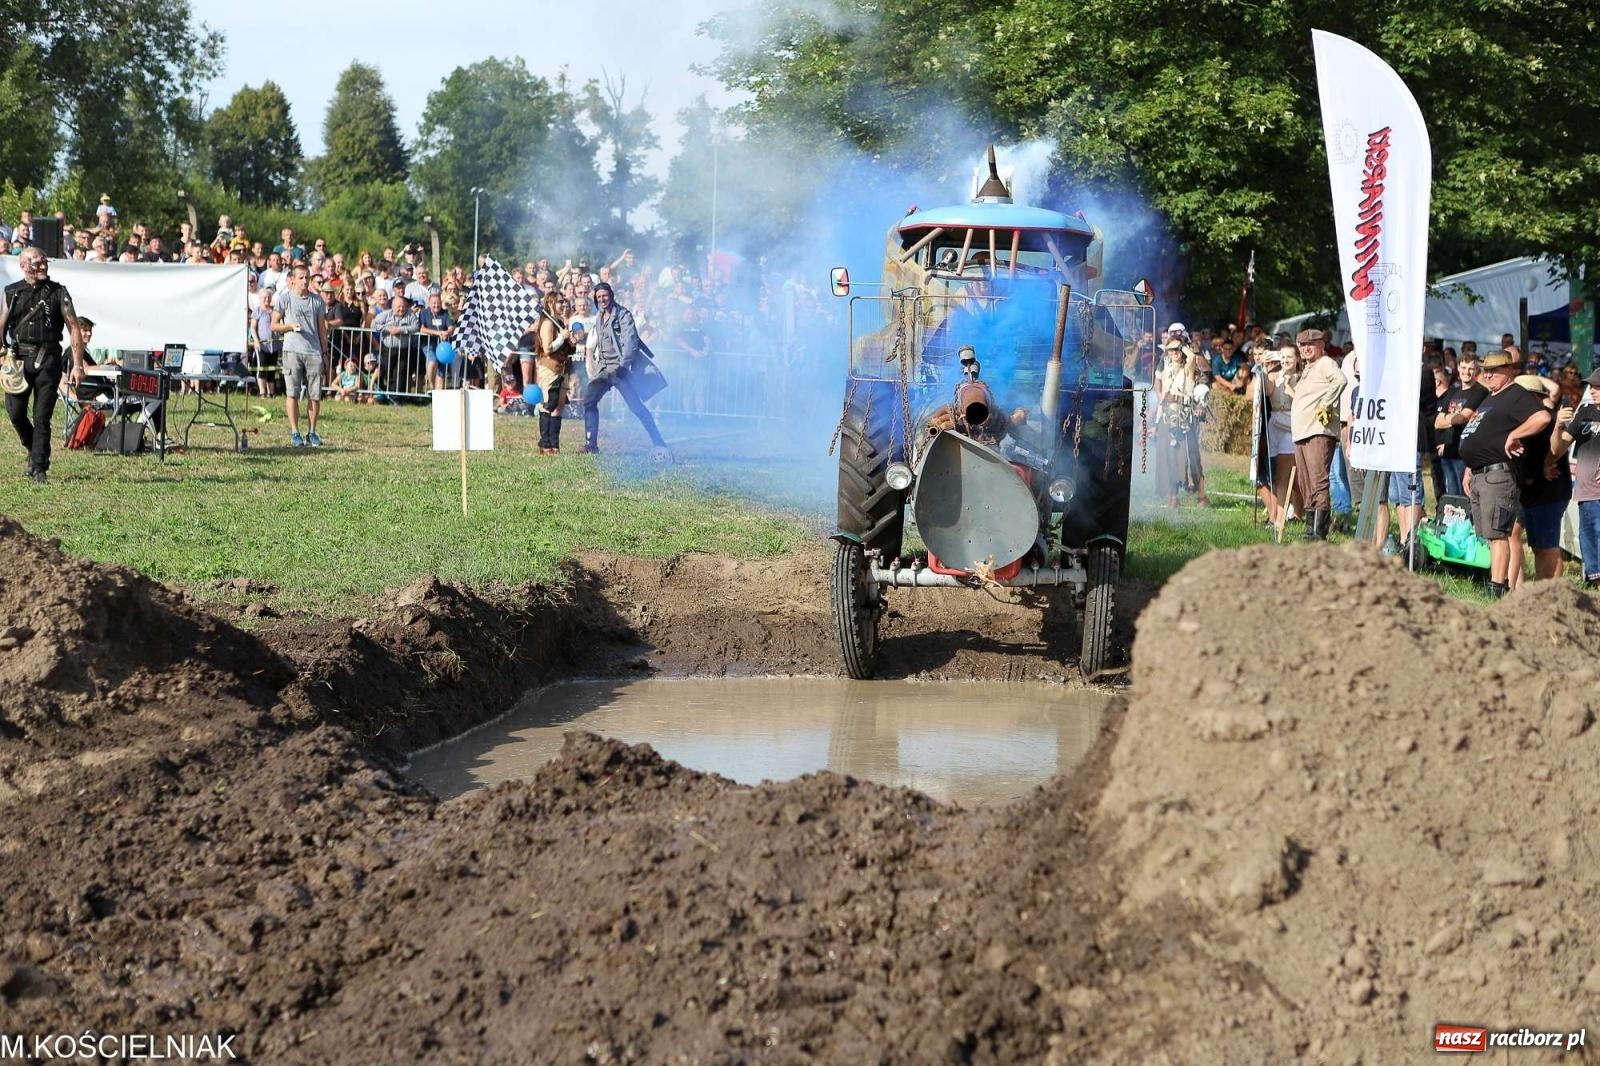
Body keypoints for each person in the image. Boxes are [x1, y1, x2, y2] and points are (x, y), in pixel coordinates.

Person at [1458, 350, 1552, 598]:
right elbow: (1481, 435)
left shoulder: (1515, 394)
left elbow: (1542, 417)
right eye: (1486, 369)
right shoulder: (1491, 397)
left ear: (1510, 370)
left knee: (1499, 535)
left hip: (1498, 476)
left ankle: (1496, 590)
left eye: (1495, 369)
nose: (1488, 373)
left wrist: (1515, 435)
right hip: (1480, 474)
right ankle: (1495, 583)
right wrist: (1470, 466)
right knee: (1490, 535)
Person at [2, 249, 87, 482]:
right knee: (16, 413)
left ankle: (39, 467)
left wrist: (77, 365)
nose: (41, 267)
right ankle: (33, 451)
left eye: (44, 262)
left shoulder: (59, 292)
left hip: (48, 359)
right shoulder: (12, 292)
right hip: (19, 360)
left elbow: (74, 328)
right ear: (23, 265)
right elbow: (1, 326)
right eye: (36, 263)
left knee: (42, 416)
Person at [582, 281, 669, 458]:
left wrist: (623, 366)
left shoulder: (623, 315)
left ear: (611, 295)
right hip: (603, 368)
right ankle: (591, 444)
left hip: (620, 369)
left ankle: (658, 441)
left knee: (636, 407)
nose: (602, 299)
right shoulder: (599, 315)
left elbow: (631, 342)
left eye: (604, 296)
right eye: (599, 297)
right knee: (589, 401)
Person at [1286, 328, 1346, 540]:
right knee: (1305, 482)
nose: (1305, 349)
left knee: (1318, 481)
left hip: (1317, 432)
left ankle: (1319, 532)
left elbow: (1340, 380)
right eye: (1302, 346)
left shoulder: (1325, 363)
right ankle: (1310, 529)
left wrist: (1326, 404)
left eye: (1310, 345)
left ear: (1321, 346)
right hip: (1303, 432)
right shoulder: (1310, 367)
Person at [270, 263, 328, 447]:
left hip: (314, 352)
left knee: (315, 395)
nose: (305, 281)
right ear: (292, 280)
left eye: (307, 277)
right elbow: (274, 325)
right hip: (292, 351)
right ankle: (295, 432)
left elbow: (321, 329)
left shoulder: (317, 301)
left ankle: (312, 432)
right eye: (301, 277)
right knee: (292, 393)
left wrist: (324, 353)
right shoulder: (284, 299)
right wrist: (289, 326)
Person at [1553, 368, 1600, 587]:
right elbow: (1560, 446)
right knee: (1587, 540)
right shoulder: (1585, 412)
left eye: (1598, 387)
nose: (1594, 391)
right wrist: (1558, 425)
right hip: (1584, 490)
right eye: (1593, 386)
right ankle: (1593, 580)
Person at [1154, 337, 1207, 507]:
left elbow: (1191, 357)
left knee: (1191, 456)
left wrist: (1181, 345)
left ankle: (1201, 496)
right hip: (1167, 416)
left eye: (1177, 349)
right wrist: (1157, 418)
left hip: (1184, 418)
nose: (1174, 353)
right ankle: (1174, 497)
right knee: (1170, 457)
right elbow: (1161, 394)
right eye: (1171, 350)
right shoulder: (1166, 369)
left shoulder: (1188, 368)